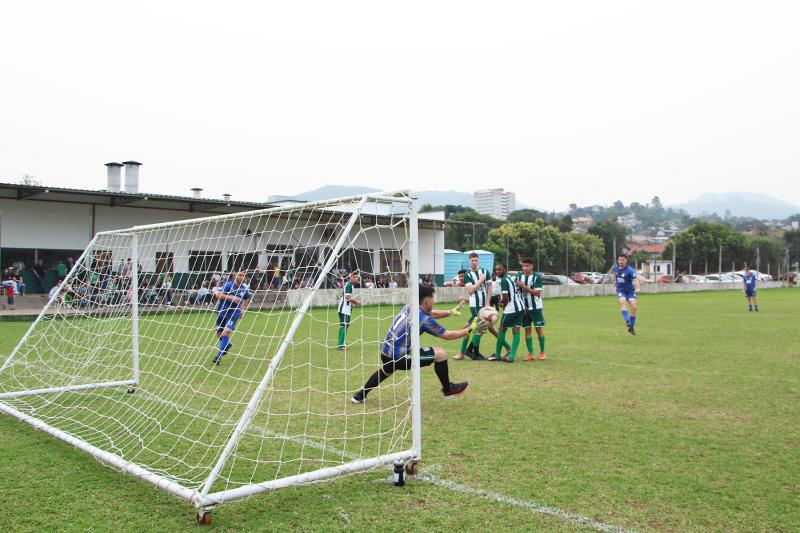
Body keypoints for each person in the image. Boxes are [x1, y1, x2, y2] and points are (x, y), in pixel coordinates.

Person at [351, 284, 483, 404]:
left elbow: (433, 313)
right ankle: (448, 389)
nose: (434, 301)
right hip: (400, 357)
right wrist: (469, 329)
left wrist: (450, 312)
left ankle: (360, 395)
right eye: (433, 298)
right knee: (440, 354)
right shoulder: (423, 319)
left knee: (386, 370)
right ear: (427, 301)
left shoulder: (411, 306)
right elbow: (446, 335)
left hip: (385, 352)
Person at [458, 253, 508, 360]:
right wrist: (480, 280)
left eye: (476, 260)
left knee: (476, 328)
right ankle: (473, 353)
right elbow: (471, 290)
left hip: (485, 305)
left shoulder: (485, 271)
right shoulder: (467, 275)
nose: (474, 262)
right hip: (475, 305)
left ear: (478, 261)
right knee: (481, 328)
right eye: (472, 260)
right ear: (469, 261)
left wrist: (487, 302)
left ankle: (466, 352)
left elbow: (489, 287)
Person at [211, 271, 252, 365]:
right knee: (219, 333)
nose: (242, 277)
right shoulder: (228, 285)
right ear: (235, 276)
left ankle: (218, 357)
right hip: (222, 312)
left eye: (243, 276)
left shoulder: (244, 289)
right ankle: (227, 344)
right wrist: (231, 298)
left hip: (234, 314)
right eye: (240, 275)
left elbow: (246, 299)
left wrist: (243, 310)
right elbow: (218, 295)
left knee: (225, 332)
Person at [491, 261, 525, 362]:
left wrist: (501, 303)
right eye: (496, 270)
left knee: (502, 329)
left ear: (504, 270)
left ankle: (497, 354)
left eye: (499, 269)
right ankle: (511, 356)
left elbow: (505, 298)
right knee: (516, 330)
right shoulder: (509, 278)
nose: (497, 271)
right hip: (520, 307)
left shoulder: (504, 280)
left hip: (511, 309)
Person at [516, 258, 547, 361]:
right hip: (524, 308)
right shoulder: (519, 276)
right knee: (527, 329)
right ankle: (531, 354)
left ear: (532, 266)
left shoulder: (537, 277)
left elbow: (537, 293)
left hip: (535, 307)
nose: (525, 268)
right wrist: (521, 305)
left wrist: (524, 286)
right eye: (523, 266)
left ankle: (542, 352)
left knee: (538, 329)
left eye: (527, 266)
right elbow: (517, 292)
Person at [613, 254, 640, 335]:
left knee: (634, 306)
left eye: (623, 260)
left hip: (630, 291)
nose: (620, 261)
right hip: (621, 290)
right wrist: (615, 282)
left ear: (626, 261)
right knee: (622, 301)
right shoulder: (616, 269)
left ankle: (631, 328)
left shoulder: (630, 270)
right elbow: (617, 277)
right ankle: (627, 320)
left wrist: (638, 288)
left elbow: (636, 280)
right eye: (619, 260)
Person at [337, 272, 362, 349]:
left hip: (346, 309)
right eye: (354, 277)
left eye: (356, 277)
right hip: (344, 309)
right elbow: (347, 297)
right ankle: (341, 345)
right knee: (344, 325)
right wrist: (357, 302)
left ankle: (341, 343)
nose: (356, 278)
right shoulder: (349, 285)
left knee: (345, 325)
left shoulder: (350, 285)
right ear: (350, 277)